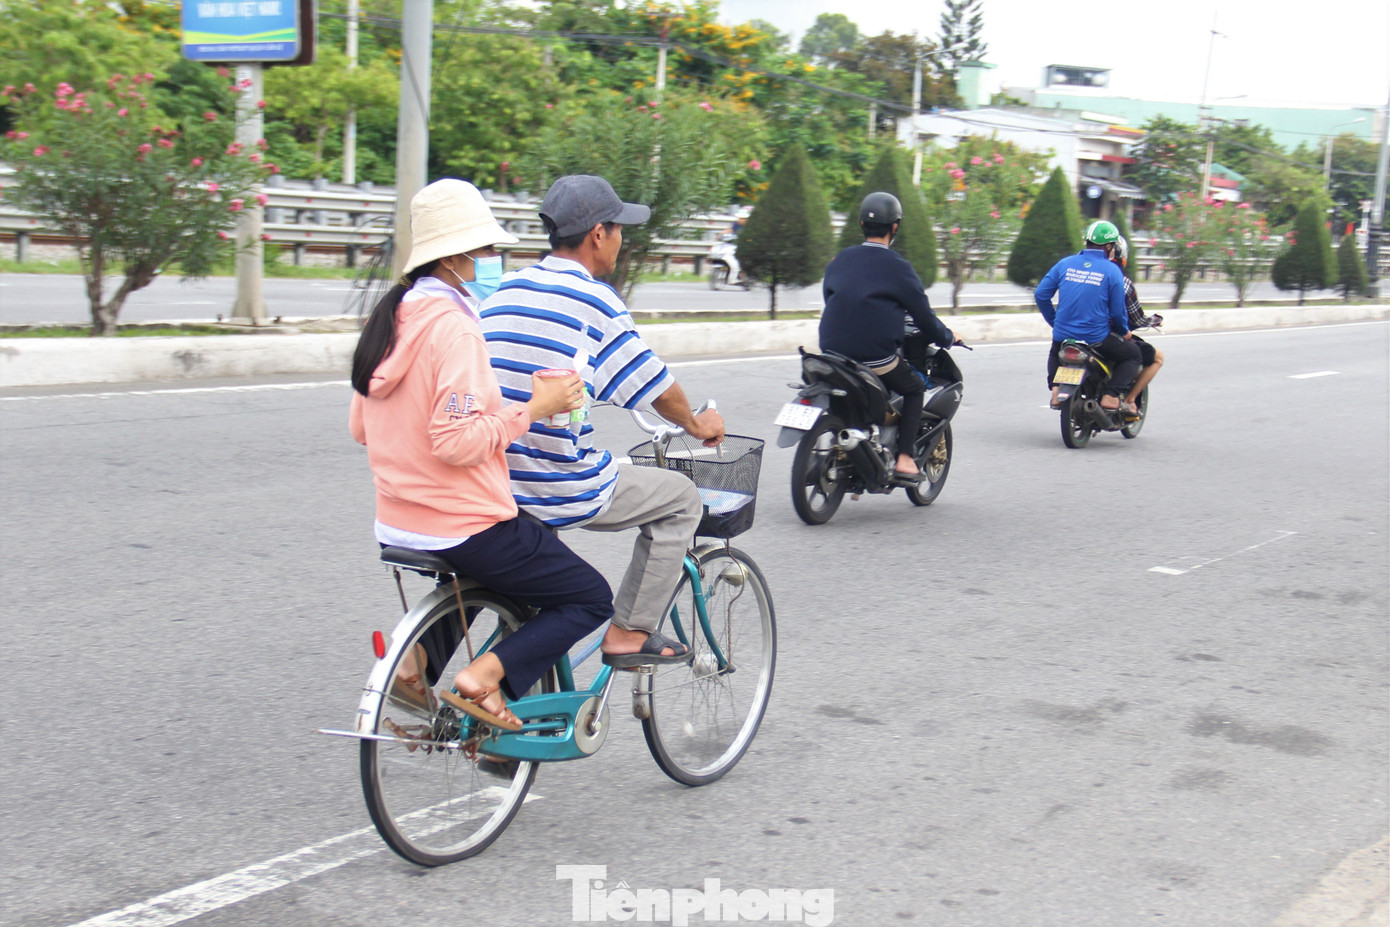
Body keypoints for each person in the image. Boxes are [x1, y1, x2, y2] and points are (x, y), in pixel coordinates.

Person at [349, 178, 613, 731]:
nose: (494, 260)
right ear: (457, 256)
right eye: (488, 250)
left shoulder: (392, 317)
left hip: (398, 521)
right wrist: (535, 408)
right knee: (589, 597)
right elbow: (457, 441)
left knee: (501, 573)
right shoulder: (456, 330)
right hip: (464, 522)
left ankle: (415, 664)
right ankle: (484, 676)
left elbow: (362, 426)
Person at [478, 174, 725, 667]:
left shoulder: (505, 289)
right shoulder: (594, 297)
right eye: (618, 229)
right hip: (552, 481)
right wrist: (698, 424)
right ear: (597, 234)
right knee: (680, 498)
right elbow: (655, 387)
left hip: (493, 477)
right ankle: (630, 632)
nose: (620, 240)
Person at [819, 191, 958, 481]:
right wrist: (947, 337)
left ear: (861, 225)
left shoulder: (841, 259)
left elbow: (831, 297)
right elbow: (924, 318)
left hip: (831, 353)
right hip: (875, 358)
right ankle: (906, 458)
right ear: (895, 227)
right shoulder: (898, 267)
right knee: (914, 390)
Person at [1034, 219, 1141, 413]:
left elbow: (1041, 295)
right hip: (1096, 338)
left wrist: (1055, 322)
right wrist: (1124, 332)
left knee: (1055, 349)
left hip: (1063, 335)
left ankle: (1056, 391)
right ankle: (1110, 396)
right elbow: (1118, 312)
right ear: (1109, 246)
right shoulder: (1112, 271)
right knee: (1133, 355)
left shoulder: (1064, 264)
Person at [1111, 236, 1165, 410]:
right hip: (1108, 336)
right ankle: (1129, 400)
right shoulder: (1122, 283)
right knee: (1153, 356)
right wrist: (1155, 320)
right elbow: (1135, 319)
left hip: (1076, 333)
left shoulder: (1081, 276)